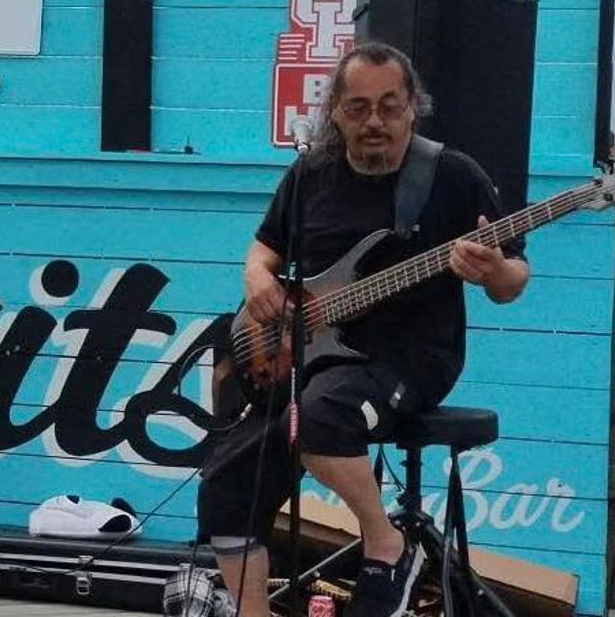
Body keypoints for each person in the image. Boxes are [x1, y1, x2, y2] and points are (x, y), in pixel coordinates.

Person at [196, 42, 530, 617]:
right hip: (307, 359)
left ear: (412, 108)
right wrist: (257, 280)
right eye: (357, 108)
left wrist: (494, 269)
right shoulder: (312, 171)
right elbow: (264, 250)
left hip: (408, 358)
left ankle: (388, 545)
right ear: (335, 113)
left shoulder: (451, 175)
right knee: (225, 491)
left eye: (389, 106)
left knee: (320, 417)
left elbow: (512, 280)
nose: (374, 122)